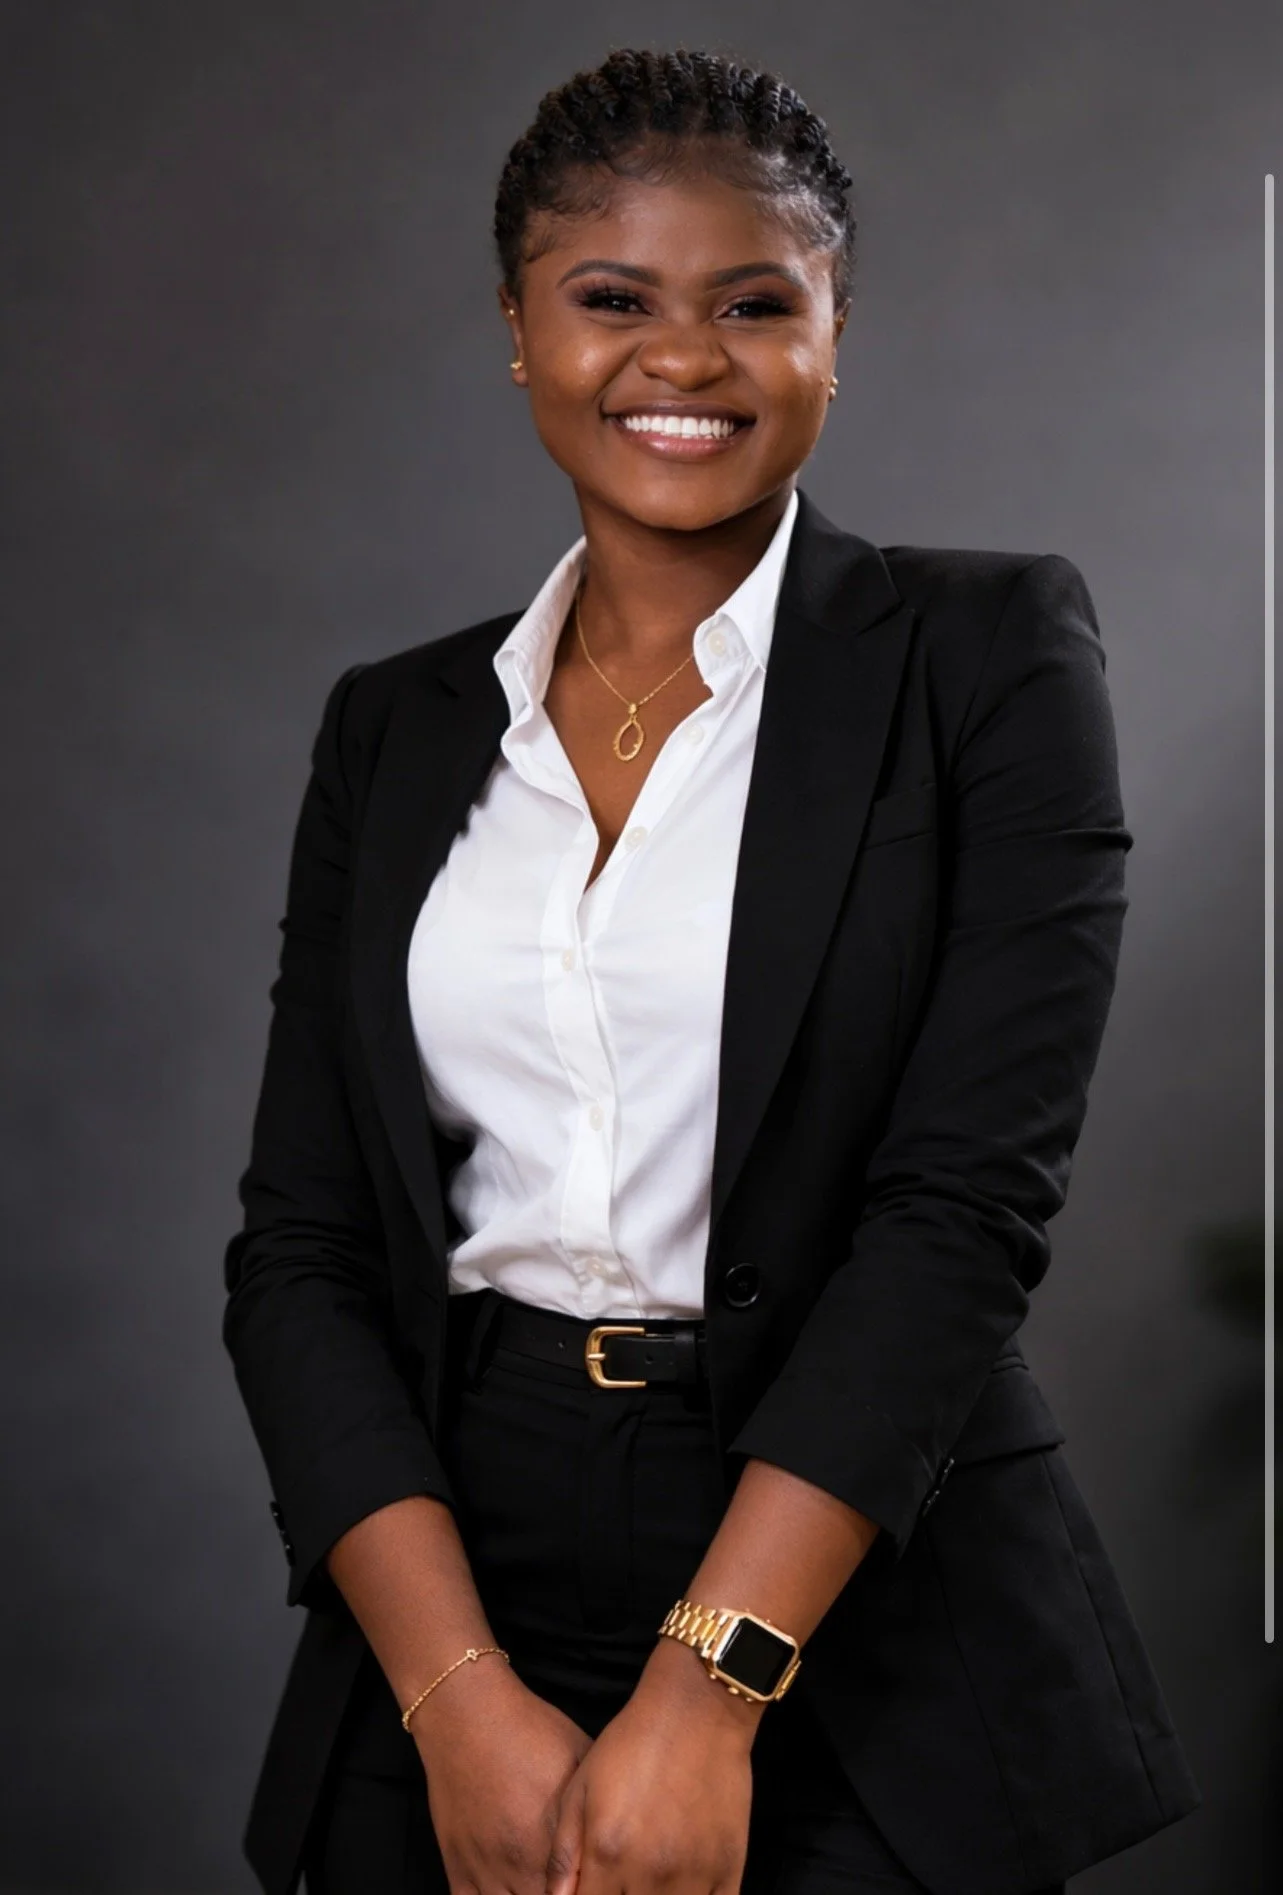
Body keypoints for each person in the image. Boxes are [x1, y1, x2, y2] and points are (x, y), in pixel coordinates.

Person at [223, 47, 1201, 1895]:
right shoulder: (395, 729)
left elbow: (960, 1210)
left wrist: (711, 1686)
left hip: (846, 1551)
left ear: (837, 335)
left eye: (757, 304)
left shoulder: (985, 658)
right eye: (613, 301)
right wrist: (450, 1695)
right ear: (519, 327)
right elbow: (303, 1243)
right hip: (454, 1561)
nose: (682, 361)